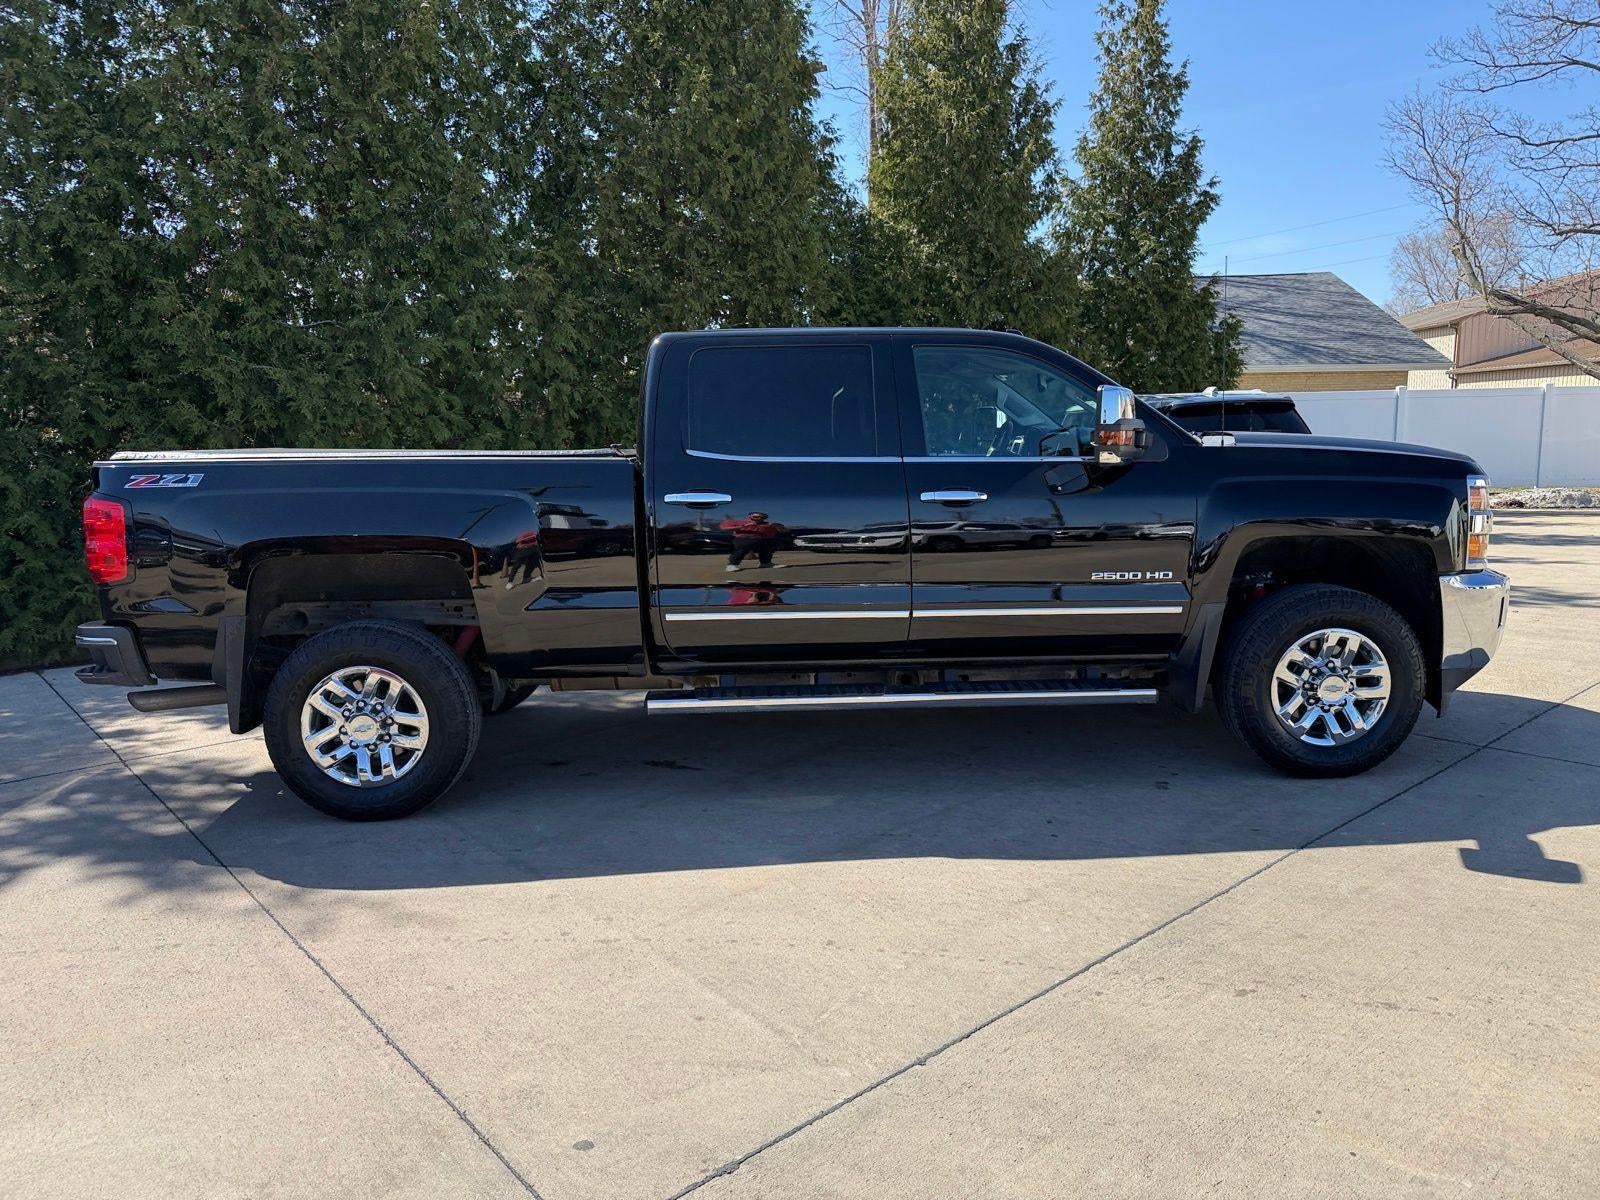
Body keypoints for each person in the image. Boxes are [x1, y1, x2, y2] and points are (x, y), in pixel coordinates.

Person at [720, 511, 786, 571]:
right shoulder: (740, 522)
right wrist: (743, 526)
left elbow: (784, 531)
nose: (758, 518)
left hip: (760, 539)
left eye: (761, 517)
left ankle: (765, 563)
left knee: (769, 544)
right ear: (750, 516)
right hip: (743, 538)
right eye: (756, 517)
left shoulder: (768, 524)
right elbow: (724, 528)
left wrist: (778, 526)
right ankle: (732, 565)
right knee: (743, 547)